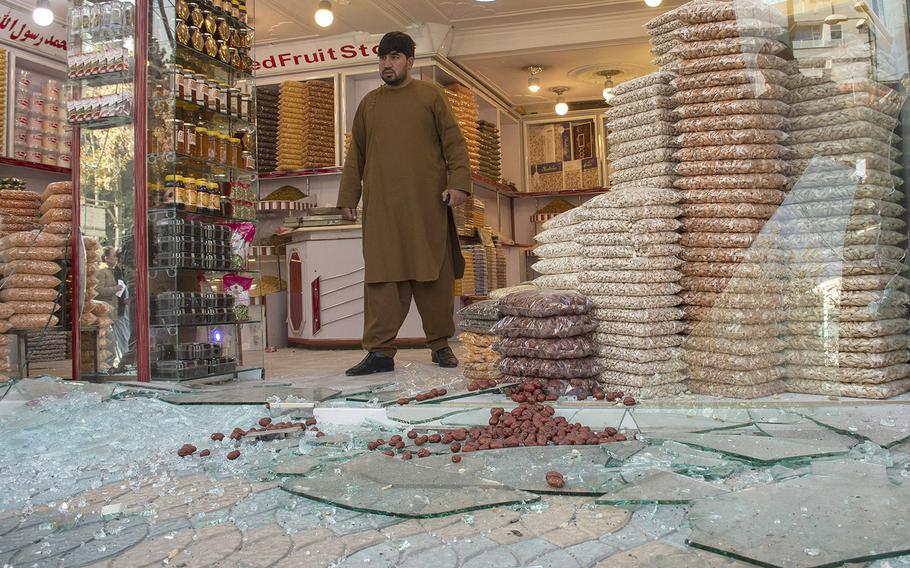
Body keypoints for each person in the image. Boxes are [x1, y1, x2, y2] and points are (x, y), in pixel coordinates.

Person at [338, 31, 472, 376]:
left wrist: (458, 184)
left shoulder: (431, 96)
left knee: (434, 276)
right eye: (383, 58)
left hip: (427, 204)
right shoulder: (369, 104)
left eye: (395, 57)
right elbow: (356, 156)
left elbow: (454, 143)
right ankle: (380, 353)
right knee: (382, 280)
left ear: (410, 62)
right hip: (382, 210)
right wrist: (348, 198)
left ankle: (440, 345)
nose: (387, 64)